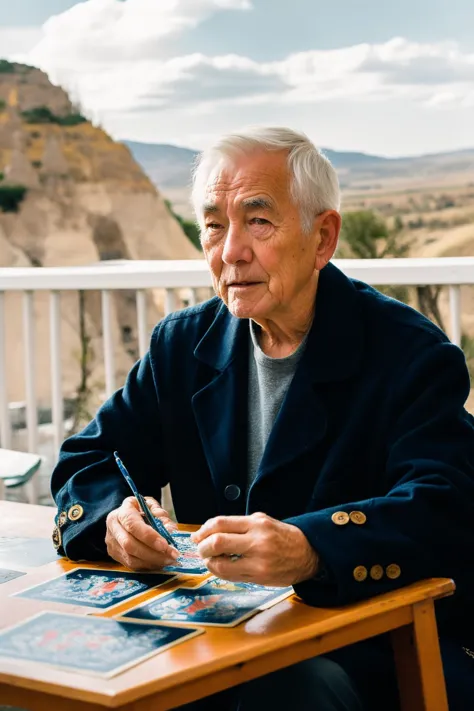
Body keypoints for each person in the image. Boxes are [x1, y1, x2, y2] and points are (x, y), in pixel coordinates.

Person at [51, 126, 474, 711]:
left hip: (368, 643)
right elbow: (91, 457)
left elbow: (447, 502)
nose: (231, 252)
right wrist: (113, 518)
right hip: (218, 636)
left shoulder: (409, 355)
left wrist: (312, 548)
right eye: (214, 225)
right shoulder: (182, 345)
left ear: (322, 237)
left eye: (258, 221)